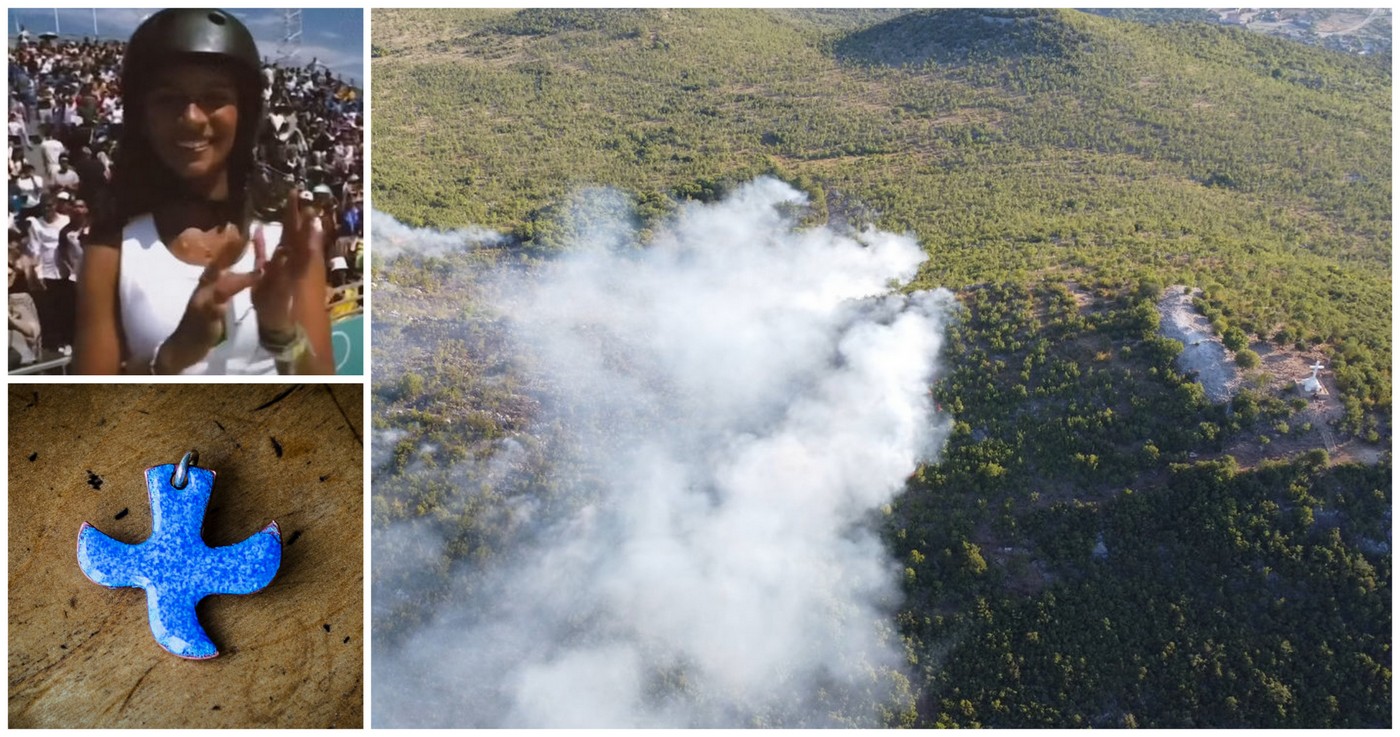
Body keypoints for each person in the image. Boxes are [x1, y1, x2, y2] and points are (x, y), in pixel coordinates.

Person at [75, 8, 332, 375]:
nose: (193, 118)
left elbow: (327, 402)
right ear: (142, 118)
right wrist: (170, 359)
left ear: (245, 115)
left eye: (213, 97)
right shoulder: (110, 254)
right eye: (168, 99)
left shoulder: (288, 243)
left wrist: (280, 331)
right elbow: (86, 423)